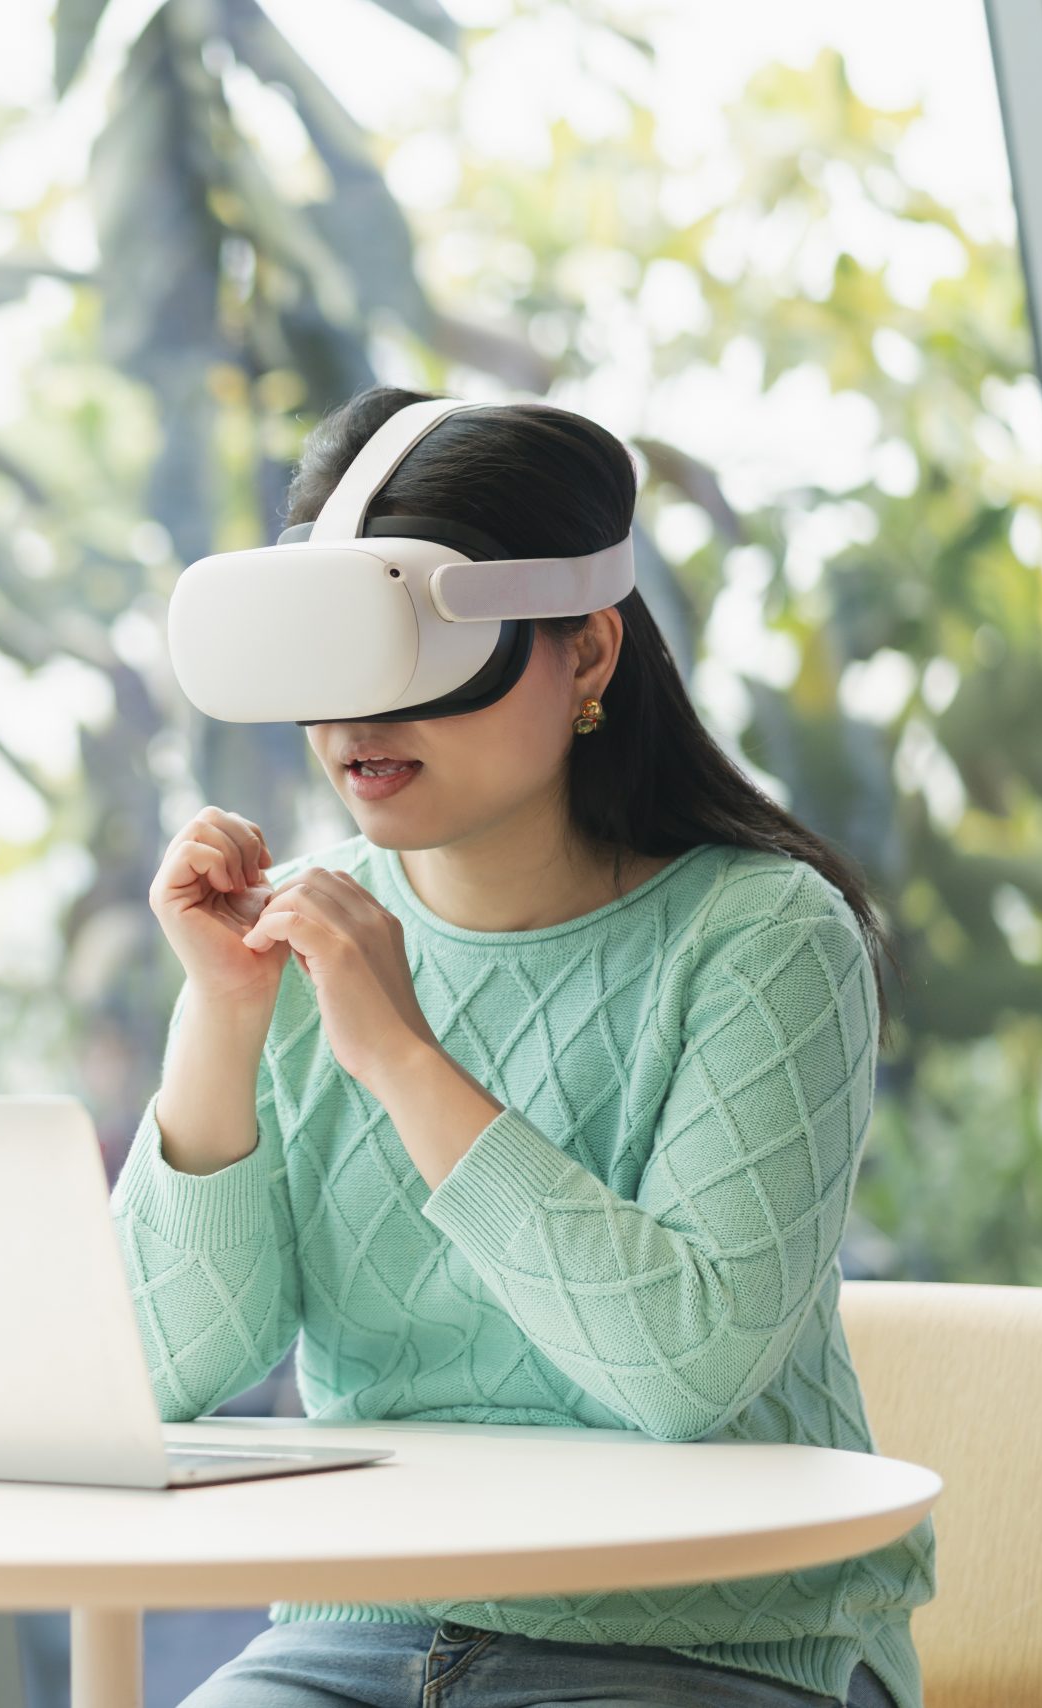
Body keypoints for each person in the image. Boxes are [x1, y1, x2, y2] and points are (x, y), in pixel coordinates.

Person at [122, 386, 934, 1708]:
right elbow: (165, 1372)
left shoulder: (762, 936)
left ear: (590, 655)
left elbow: (686, 1372)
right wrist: (220, 1018)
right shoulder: (299, 932)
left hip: (702, 1646)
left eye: (412, 658)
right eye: (329, 656)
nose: (355, 725)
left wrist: (399, 1057)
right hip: (355, 1640)